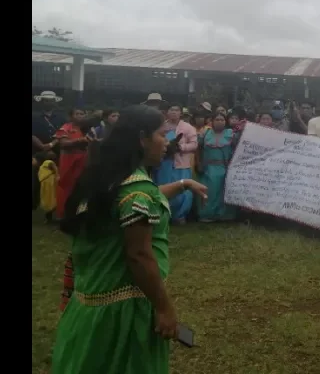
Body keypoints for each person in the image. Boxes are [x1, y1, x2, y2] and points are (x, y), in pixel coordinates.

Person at [51, 105, 208, 374]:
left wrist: (184, 184)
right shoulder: (136, 191)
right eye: (161, 134)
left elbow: (143, 198)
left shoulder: (110, 179)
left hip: (89, 305)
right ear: (142, 138)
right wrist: (164, 308)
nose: (166, 142)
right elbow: (139, 255)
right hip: (122, 313)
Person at [154, 105, 198, 224]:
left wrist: (181, 147)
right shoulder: (162, 126)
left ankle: (180, 216)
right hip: (164, 163)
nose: (174, 112)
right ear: (167, 112)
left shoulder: (188, 128)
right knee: (163, 186)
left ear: (181, 113)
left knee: (183, 191)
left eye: (176, 110)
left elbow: (194, 144)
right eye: (171, 110)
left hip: (181, 164)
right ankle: (163, 213)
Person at [197, 113, 236, 222]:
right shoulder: (205, 133)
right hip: (208, 168)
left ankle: (223, 215)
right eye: (217, 119)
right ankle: (207, 214)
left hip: (225, 167)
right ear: (212, 121)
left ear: (226, 121)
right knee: (210, 192)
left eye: (222, 119)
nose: (220, 122)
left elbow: (236, 149)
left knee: (223, 192)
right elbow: (198, 148)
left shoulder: (231, 134)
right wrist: (198, 163)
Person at [55, 108, 90, 220]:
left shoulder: (88, 129)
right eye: (77, 114)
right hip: (69, 161)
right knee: (66, 187)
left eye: (82, 113)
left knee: (81, 187)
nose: (80, 116)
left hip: (83, 161)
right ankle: (63, 214)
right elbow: (63, 143)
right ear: (71, 116)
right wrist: (80, 140)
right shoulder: (66, 128)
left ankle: (78, 214)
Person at [37, 150, 59, 223]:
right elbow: (54, 168)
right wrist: (57, 175)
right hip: (48, 185)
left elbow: (54, 169)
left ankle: (48, 218)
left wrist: (56, 175)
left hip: (47, 185)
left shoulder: (45, 163)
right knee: (50, 200)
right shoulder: (47, 163)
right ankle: (48, 218)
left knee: (49, 200)